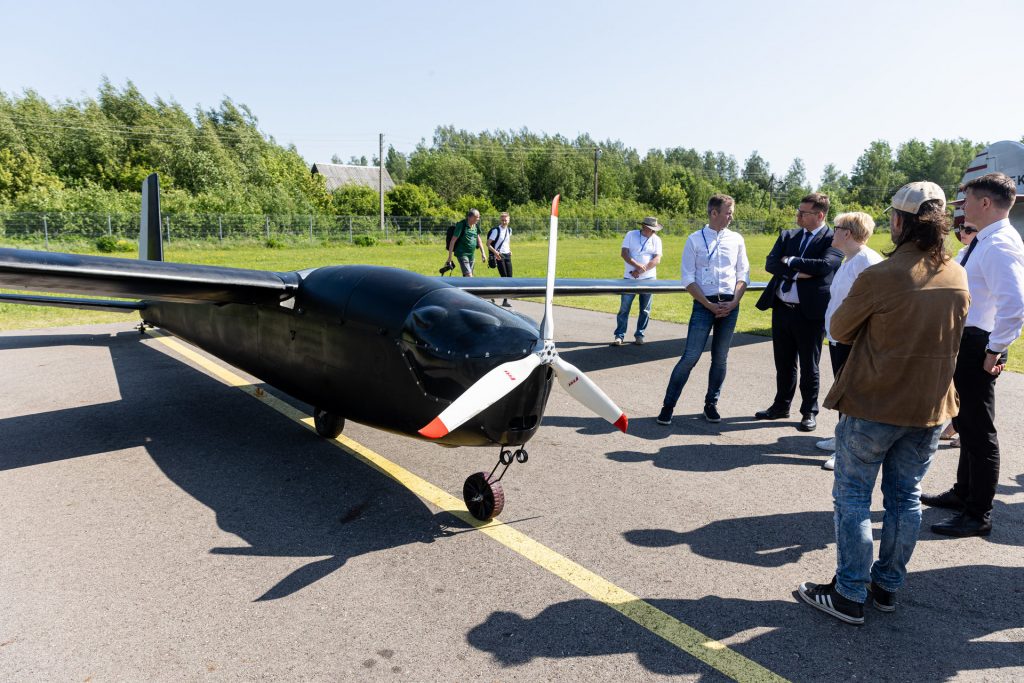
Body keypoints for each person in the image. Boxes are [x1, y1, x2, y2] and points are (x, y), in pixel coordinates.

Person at [797, 181, 969, 625]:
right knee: (905, 498)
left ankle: (850, 591)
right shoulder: (957, 274)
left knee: (853, 496)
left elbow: (839, 329)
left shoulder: (882, 275)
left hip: (875, 404)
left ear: (900, 222)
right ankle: (887, 585)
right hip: (930, 407)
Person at [922, 172, 1024, 538]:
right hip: (967, 341)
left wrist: (994, 350)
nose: (961, 207)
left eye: (966, 200)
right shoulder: (985, 240)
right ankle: (963, 492)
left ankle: (977, 513)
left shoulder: (1000, 245)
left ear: (985, 203)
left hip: (978, 343)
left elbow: (1014, 306)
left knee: (979, 433)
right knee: (965, 423)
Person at [657, 195, 749, 425]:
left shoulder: (737, 239)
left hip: (730, 305)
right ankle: (668, 405)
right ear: (714, 213)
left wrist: (734, 302)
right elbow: (687, 279)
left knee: (720, 359)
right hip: (703, 305)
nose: (731, 216)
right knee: (690, 357)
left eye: (732, 212)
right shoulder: (695, 240)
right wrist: (708, 304)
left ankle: (711, 404)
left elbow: (743, 274)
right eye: (728, 212)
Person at [754, 193, 843, 431]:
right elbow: (771, 263)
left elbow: (824, 267)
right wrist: (798, 272)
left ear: (820, 215)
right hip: (782, 308)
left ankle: (808, 412)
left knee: (809, 365)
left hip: (810, 313)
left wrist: (790, 260)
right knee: (783, 362)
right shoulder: (788, 235)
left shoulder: (833, 239)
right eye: (799, 211)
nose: (798, 215)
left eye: (804, 213)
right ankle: (781, 406)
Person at [815, 212, 883, 470]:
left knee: (852, 396)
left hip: (853, 341)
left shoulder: (867, 261)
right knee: (843, 393)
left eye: (837, 227)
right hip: (839, 337)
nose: (833, 232)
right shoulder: (850, 259)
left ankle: (847, 451)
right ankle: (841, 437)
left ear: (848, 233)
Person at [938, 218, 979, 447]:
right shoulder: (963, 252)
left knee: (971, 388)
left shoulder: (984, 252)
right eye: (961, 228)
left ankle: (961, 428)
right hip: (957, 325)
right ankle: (957, 424)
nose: (963, 232)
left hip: (975, 327)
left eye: (969, 229)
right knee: (955, 380)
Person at [612, 216, 663, 345]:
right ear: (643, 227)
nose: (652, 232)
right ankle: (619, 336)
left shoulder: (657, 240)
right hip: (629, 278)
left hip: (648, 279)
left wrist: (640, 270)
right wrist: (636, 266)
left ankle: (639, 334)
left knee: (645, 310)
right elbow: (624, 253)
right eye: (650, 229)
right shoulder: (631, 235)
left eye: (654, 230)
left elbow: (657, 259)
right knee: (624, 308)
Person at [446, 209, 488, 277]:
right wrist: (450, 257)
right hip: (462, 254)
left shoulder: (475, 226)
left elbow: (479, 240)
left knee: (467, 276)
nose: (478, 219)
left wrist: (483, 253)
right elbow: (452, 241)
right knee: (469, 275)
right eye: (476, 217)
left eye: (479, 217)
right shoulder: (461, 225)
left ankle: (463, 287)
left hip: (471, 255)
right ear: (470, 217)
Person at [487, 212, 514, 307]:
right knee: (504, 277)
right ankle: (491, 293)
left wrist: (509, 250)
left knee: (509, 278)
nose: (504, 221)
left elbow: (507, 242)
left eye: (505, 220)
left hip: (507, 255)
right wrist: (495, 253)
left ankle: (505, 300)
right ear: (500, 220)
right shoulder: (496, 230)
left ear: (509, 220)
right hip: (499, 255)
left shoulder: (509, 230)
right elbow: (488, 244)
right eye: (502, 220)